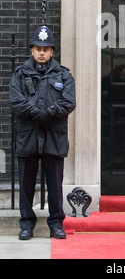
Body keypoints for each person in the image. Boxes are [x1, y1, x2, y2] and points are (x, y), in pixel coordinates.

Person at [9, 25, 76, 240]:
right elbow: (16, 100)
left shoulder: (63, 74)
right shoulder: (20, 74)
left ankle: (56, 224)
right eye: (37, 48)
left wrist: (48, 113)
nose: (41, 52)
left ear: (52, 52)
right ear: (31, 50)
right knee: (26, 183)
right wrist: (35, 112)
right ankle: (26, 225)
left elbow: (68, 102)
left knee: (55, 184)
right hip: (28, 135)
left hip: (53, 137)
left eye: (45, 49)